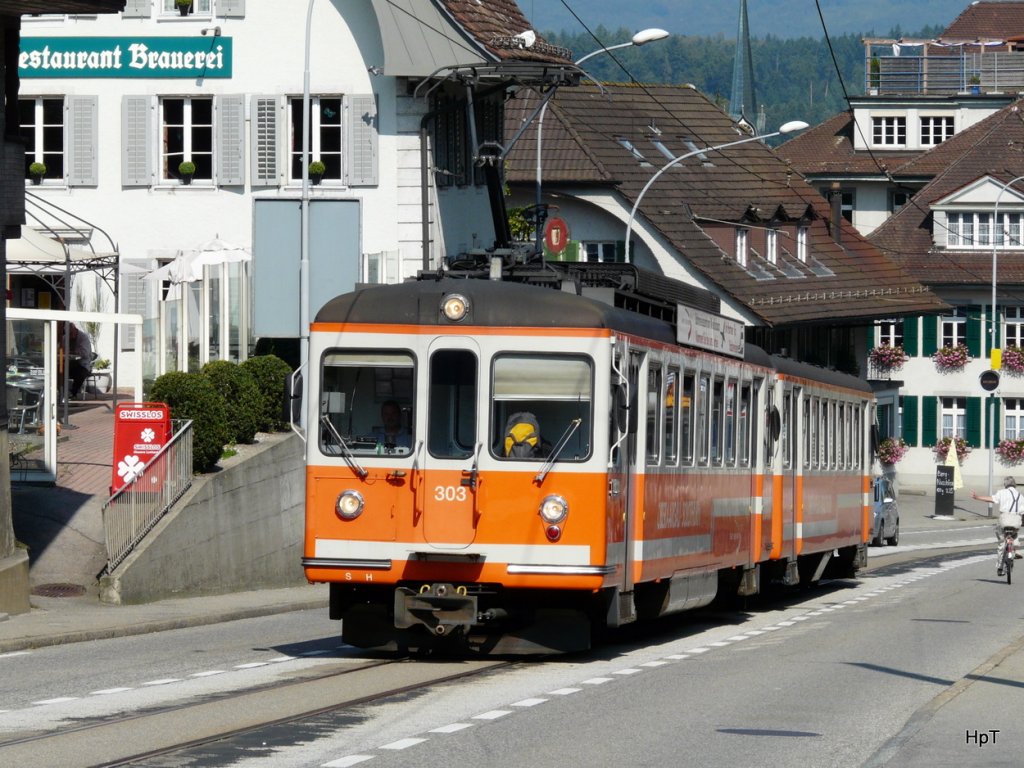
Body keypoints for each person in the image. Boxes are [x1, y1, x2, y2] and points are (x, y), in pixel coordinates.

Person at [972, 476, 1022, 576]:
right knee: (1015, 533)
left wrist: (977, 497)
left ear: (1005, 484)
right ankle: (1014, 547)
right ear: (1015, 485)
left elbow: (991, 499)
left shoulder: (1002, 492)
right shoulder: (1020, 495)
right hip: (1016, 520)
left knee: (1001, 540)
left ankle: (1000, 567)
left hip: (1004, 519)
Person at [67, 323, 94, 399]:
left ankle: (73, 393)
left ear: (74, 329)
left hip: (82, 364)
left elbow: (85, 353)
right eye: (68, 334)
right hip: (69, 363)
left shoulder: (83, 337)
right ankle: (61, 392)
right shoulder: (65, 337)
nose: (70, 336)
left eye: (71, 333)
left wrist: (74, 352)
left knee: (81, 373)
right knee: (60, 370)